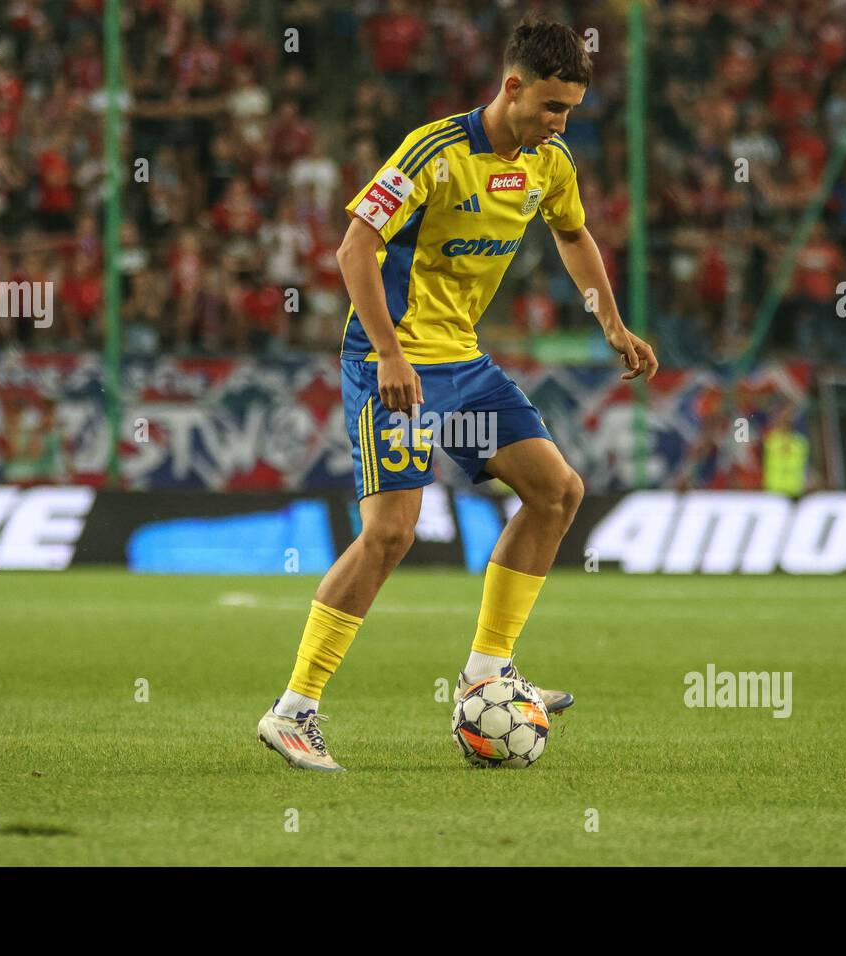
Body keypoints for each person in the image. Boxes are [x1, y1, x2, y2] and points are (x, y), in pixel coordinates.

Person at [257, 18, 659, 771]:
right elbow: (355, 248)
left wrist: (610, 320)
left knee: (556, 491)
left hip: (465, 367)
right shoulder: (433, 152)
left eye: (569, 109)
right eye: (550, 106)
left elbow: (573, 235)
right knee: (390, 534)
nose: (560, 122)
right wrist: (388, 352)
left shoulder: (549, 162)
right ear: (511, 87)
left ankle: (486, 670)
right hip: (393, 365)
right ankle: (294, 711)